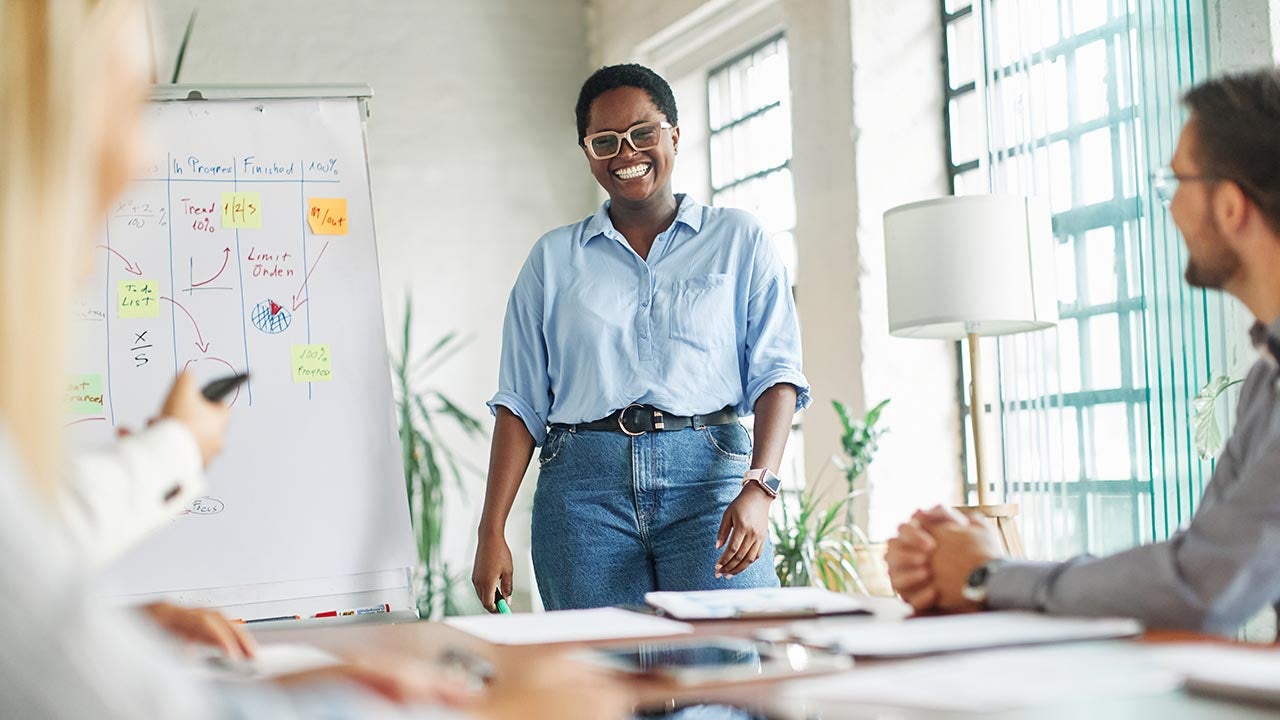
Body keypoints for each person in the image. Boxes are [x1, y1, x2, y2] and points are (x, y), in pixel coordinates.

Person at [0, 1, 630, 718]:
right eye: (113, 107)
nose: (140, 155)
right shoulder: (554, 260)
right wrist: (481, 711)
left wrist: (122, 632)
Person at [886, 67, 1280, 637]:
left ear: (1230, 206)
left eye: (1176, 185)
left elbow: (1201, 589)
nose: (1168, 211)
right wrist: (968, 566)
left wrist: (986, 574)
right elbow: (1202, 557)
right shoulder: (1266, 379)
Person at [472, 63, 810, 612]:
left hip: (710, 483)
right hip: (583, 493)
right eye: (604, 141)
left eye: (643, 133)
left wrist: (761, 486)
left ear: (673, 134)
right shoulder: (553, 259)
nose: (625, 153)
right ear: (588, 152)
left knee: (723, 667)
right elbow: (521, 404)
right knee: (600, 680)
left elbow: (777, 374)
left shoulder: (738, 238)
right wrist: (491, 529)